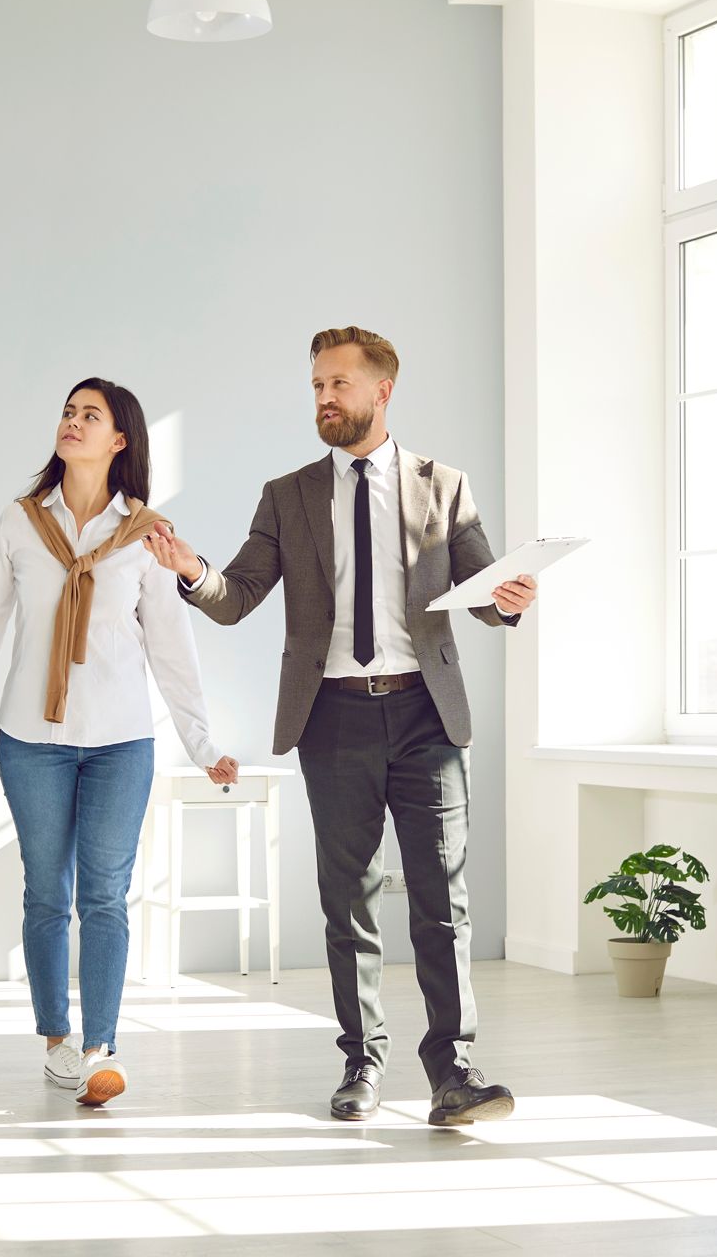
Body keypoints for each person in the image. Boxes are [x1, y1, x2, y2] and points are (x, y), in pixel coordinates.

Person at [145, 326, 536, 1126]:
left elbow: (484, 587)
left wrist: (508, 600)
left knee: (441, 899)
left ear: (381, 390)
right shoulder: (287, 494)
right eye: (317, 385)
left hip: (427, 713)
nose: (324, 398)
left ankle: (453, 1072)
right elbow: (241, 593)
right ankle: (362, 1067)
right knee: (348, 899)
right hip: (333, 716)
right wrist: (192, 572)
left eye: (338, 385)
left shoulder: (443, 486)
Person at [0, 377, 235, 1106]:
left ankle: (101, 1048)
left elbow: (171, 649)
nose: (71, 422)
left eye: (89, 416)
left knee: (104, 895)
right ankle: (56, 1041)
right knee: (46, 893)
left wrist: (202, 743)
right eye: (68, 412)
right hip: (31, 739)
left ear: (119, 439)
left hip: (120, 743)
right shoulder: (21, 522)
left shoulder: (147, 535)